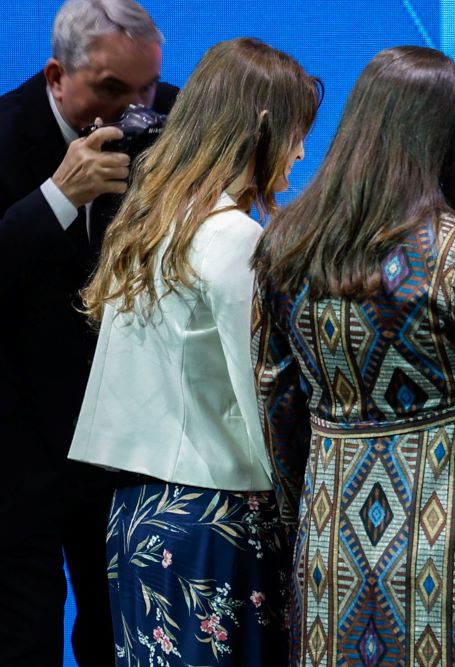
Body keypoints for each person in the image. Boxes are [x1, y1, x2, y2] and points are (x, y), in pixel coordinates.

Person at [251, 45, 455, 666]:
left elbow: (275, 400)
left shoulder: (284, 248)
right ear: (453, 138)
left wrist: (297, 515)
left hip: (330, 540)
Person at [66, 37, 320, 666]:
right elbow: (263, 394)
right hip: (215, 526)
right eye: (295, 132)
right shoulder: (234, 236)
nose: (300, 152)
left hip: (137, 520)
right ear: (261, 128)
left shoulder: (150, 223)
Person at [0, 1, 177, 665]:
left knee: (118, 640)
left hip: (123, 449)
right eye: (110, 89)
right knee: (25, 640)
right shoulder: (5, 131)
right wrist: (56, 198)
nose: (134, 110)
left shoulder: (173, 123)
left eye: (147, 88)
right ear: (56, 76)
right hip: (18, 452)